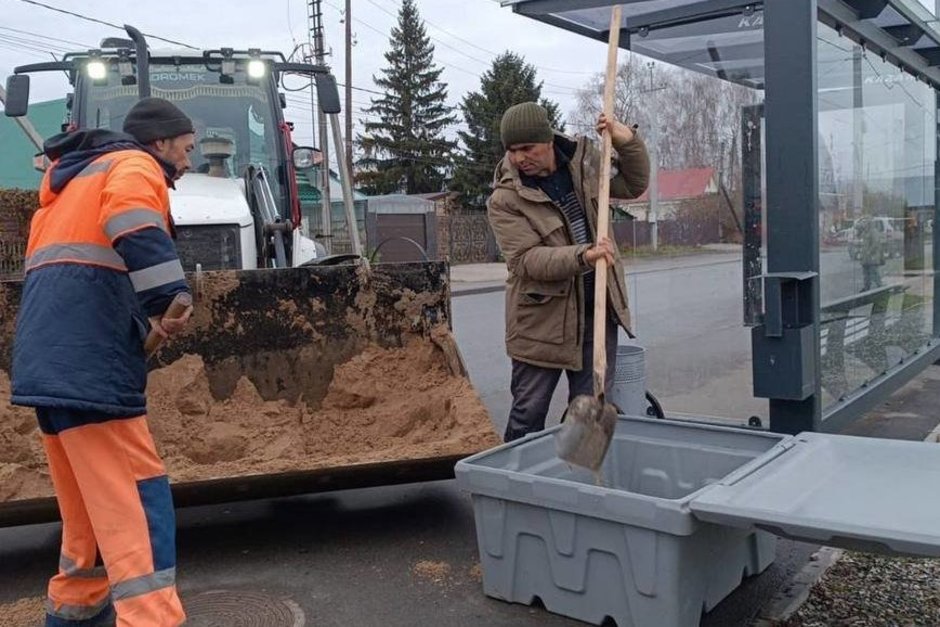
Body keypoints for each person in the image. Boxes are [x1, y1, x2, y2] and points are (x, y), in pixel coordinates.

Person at [12, 97, 195, 626]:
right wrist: (166, 299)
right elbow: (131, 224)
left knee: (89, 518)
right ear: (159, 142)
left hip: (50, 367)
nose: (187, 161)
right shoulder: (133, 165)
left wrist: (142, 316)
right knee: (140, 505)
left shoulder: (68, 188)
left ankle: (73, 616)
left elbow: (84, 273)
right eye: (184, 149)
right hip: (92, 369)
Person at [487, 101, 650, 442]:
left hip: (597, 313)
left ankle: (584, 483)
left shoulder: (586, 163)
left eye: (526, 148)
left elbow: (634, 185)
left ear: (547, 141)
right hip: (540, 323)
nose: (519, 158)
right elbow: (526, 261)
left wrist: (626, 140)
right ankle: (513, 484)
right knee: (528, 414)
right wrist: (584, 255)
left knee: (589, 411)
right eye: (511, 150)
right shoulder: (505, 199)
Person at [857, 216, 885, 291]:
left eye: (865, 223)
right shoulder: (865, 232)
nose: (864, 224)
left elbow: (875, 243)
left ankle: (880, 288)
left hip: (872, 258)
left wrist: (869, 252)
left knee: (874, 273)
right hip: (865, 258)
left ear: (869, 223)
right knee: (866, 275)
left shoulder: (873, 231)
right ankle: (866, 288)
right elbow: (860, 239)